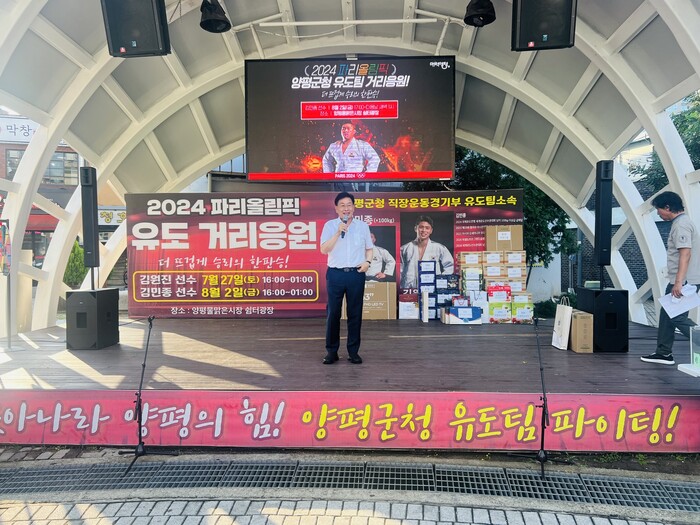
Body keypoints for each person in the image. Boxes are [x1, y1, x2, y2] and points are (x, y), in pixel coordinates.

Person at [641, 191, 700, 365]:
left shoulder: (681, 224)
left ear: (667, 207)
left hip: (684, 281)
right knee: (667, 315)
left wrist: (678, 283)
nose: (658, 214)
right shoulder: (682, 222)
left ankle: (665, 352)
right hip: (683, 280)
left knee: (677, 317)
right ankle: (664, 353)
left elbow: (685, 254)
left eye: (658, 210)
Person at [320, 191, 374, 365]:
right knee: (333, 314)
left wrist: (367, 262)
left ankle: (353, 352)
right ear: (336, 208)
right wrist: (337, 233)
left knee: (355, 314)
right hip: (335, 274)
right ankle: (331, 352)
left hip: (355, 274)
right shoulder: (330, 226)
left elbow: (369, 249)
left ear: (354, 207)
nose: (346, 208)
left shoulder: (362, 226)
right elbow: (324, 249)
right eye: (342, 205)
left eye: (349, 205)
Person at [399, 215, 454, 289]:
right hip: (409, 289)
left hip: (431, 288)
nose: (424, 230)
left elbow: (450, 266)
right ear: (415, 228)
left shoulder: (439, 248)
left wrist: (440, 280)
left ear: (431, 231)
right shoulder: (405, 248)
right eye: (421, 227)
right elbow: (399, 270)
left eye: (427, 228)